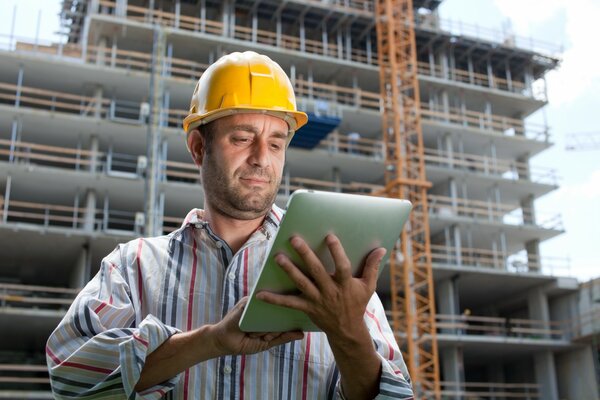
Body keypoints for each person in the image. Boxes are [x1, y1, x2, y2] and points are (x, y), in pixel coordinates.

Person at [46, 51, 413, 399]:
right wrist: (209, 342)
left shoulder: (331, 271)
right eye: (242, 138)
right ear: (198, 148)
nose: (261, 159)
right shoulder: (133, 267)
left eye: (276, 143)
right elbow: (70, 377)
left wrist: (347, 333)